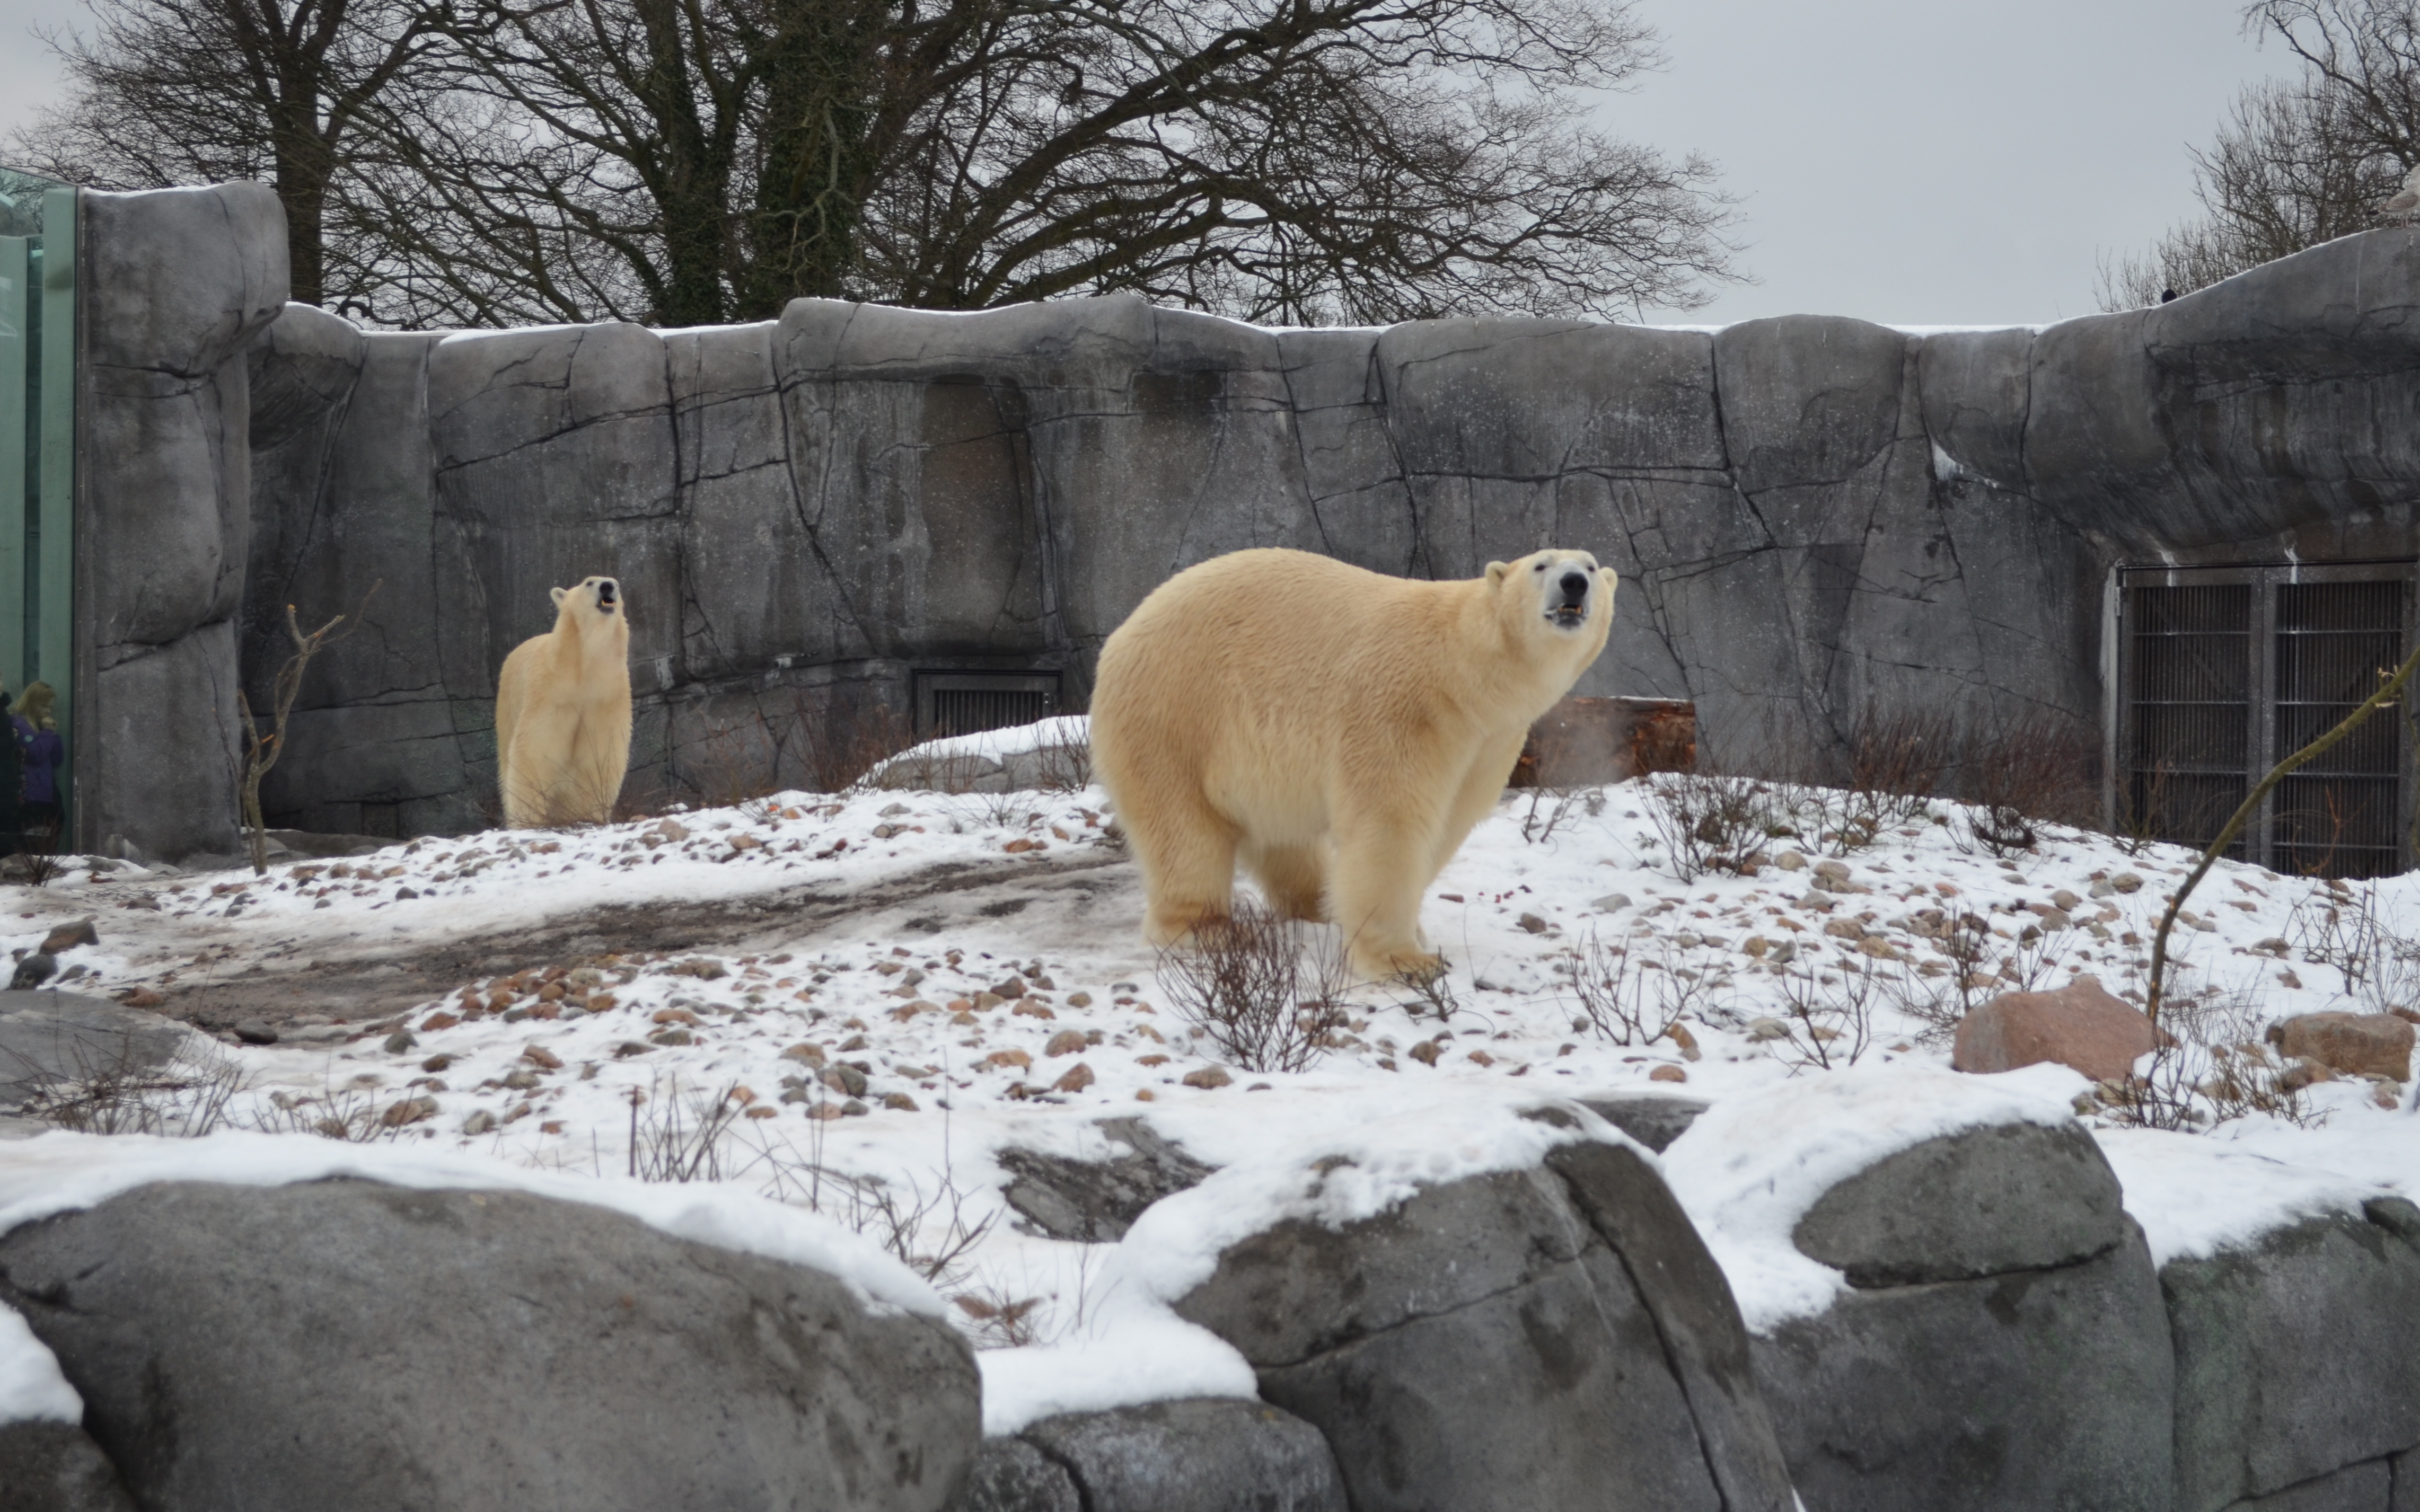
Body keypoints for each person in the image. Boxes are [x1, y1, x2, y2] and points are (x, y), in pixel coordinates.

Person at [13, 682, 62, 848]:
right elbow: (36, 754)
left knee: (47, 845)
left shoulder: (42, 728)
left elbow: (57, 759)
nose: (48, 711)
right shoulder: (19, 725)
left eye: (50, 707)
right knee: (30, 847)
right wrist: (48, 733)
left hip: (46, 795)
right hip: (28, 796)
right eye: (43, 706)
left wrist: (53, 735)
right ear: (32, 703)